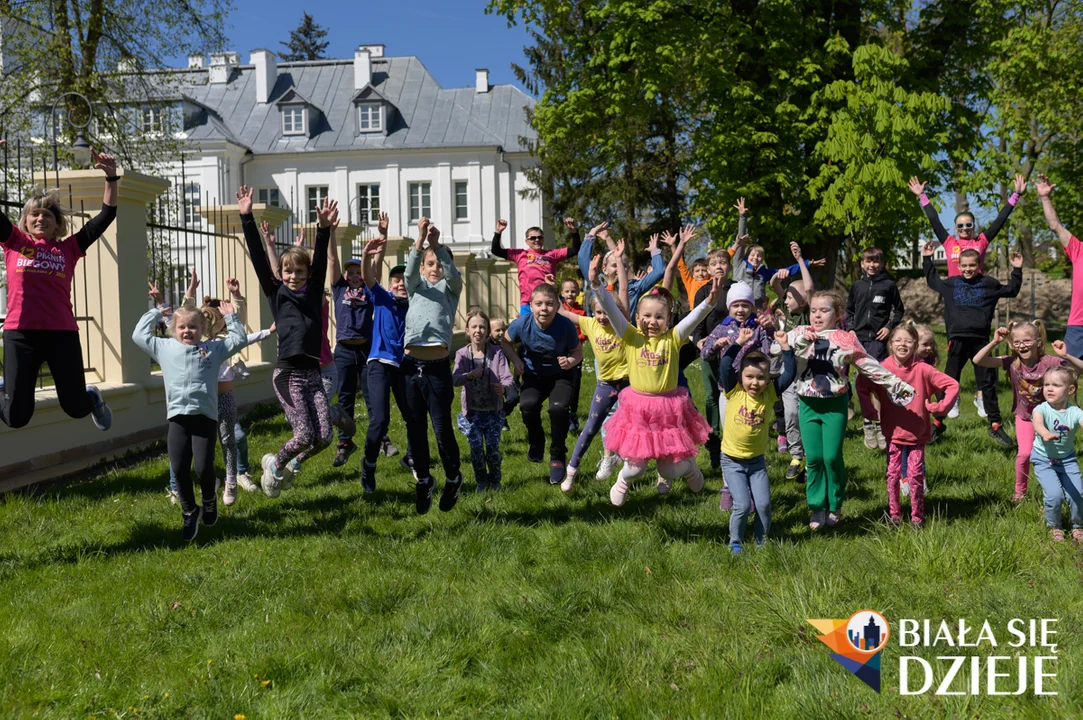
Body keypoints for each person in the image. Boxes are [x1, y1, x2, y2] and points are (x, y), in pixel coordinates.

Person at [238, 186, 353, 497]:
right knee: (303, 435)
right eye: (288, 271)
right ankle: (275, 466)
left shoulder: (315, 295)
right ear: (281, 272)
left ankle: (286, 463)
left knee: (325, 437)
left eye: (299, 271)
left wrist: (324, 228)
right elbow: (260, 260)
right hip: (288, 375)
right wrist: (246, 216)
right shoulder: (276, 293)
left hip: (314, 375)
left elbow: (318, 269)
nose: (293, 276)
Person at [0, 147, 117, 431]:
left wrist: (111, 179)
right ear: (25, 221)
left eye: (48, 215)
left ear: (57, 224)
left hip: (61, 334)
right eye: (35, 214)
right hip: (20, 334)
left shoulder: (69, 248)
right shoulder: (14, 242)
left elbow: (105, 218)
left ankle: (93, 398)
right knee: (17, 417)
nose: (41, 218)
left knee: (76, 407)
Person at [592, 275, 726, 506]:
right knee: (635, 467)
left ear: (668, 320)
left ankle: (689, 468)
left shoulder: (673, 338)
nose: (652, 321)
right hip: (638, 409)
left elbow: (693, 320)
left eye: (659, 317)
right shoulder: (631, 336)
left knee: (671, 468)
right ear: (637, 317)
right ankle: (623, 482)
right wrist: (596, 286)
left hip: (667, 409)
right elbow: (612, 311)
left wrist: (709, 303)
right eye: (647, 316)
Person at [786, 292, 915, 530]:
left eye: (823, 311)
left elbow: (870, 367)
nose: (817, 315)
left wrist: (897, 385)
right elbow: (776, 350)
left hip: (835, 404)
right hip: (808, 403)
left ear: (836, 315)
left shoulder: (846, 339)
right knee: (813, 458)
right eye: (813, 310)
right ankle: (816, 507)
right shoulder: (799, 333)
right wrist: (792, 340)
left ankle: (835, 504)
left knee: (832, 457)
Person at [132, 300, 247, 540]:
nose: (187, 331)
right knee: (179, 468)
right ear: (173, 329)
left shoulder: (214, 350)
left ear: (203, 328)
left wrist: (232, 318)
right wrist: (154, 312)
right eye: (182, 327)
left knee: (203, 467)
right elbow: (138, 336)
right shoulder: (164, 348)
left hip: (204, 417)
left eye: (193, 327)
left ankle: (209, 499)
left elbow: (239, 341)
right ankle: (189, 510)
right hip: (178, 418)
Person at [158, 272, 274, 507]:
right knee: (183, 448)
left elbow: (241, 327)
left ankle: (234, 478)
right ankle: (176, 487)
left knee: (232, 437)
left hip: (225, 396)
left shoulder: (223, 342)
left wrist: (236, 296)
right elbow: (180, 315)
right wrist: (189, 290)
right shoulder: (196, 341)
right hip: (202, 401)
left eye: (219, 318)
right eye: (211, 318)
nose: (215, 321)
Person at [922, 242, 1023, 446]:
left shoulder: (989, 284)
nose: (968, 269)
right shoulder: (951, 284)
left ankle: (995, 425)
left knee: (987, 383)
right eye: (964, 266)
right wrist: (927, 259)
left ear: (979, 266)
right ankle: (937, 422)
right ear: (959, 266)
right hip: (957, 340)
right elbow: (933, 280)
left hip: (981, 342)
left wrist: (1017, 269)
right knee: (948, 382)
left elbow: (1011, 290)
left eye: (972, 266)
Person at [859, 325, 959, 528]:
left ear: (915, 345)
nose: (902, 344)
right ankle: (894, 516)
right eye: (897, 340)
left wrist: (941, 407)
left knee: (915, 476)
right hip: (892, 432)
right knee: (893, 475)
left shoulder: (923, 369)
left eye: (908, 341)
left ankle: (917, 519)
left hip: (917, 433)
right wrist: (868, 410)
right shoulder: (883, 368)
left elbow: (953, 385)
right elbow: (861, 383)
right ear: (890, 343)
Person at [973, 323, 1083, 502]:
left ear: (1038, 342)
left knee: (1055, 455)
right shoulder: (1012, 363)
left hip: (1051, 418)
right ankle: (1020, 491)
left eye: (1027, 340)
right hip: (1025, 417)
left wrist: (1065, 355)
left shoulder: (1050, 362)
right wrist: (994, 342)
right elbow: (978, 360)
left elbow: (1080, 370)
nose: (1022, 345)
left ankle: (1058, 489)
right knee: (1024, 454)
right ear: (1012, 344)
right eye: (1017, 342)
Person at [403, 217, 464, 514]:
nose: (435, 267)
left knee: (440, 429)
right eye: (430, 263)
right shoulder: (414, 288)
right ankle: (424, 480)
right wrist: (419, 241)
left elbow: (453, 276)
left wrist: (437, 245)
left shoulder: (450, 291)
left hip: (437, 368)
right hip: (410, 367)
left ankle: (453, 477)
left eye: (439, 262)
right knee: (415, 429)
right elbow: (409, 272)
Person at [718, 328, 796, 553]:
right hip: (732, 461)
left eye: (761, 378)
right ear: (740, 376)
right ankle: (735, 540)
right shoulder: (734, 391)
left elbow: (789, 374)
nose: (755, 383)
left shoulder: (769, 394)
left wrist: (785, 348)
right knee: (742, 505)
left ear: (768, 379)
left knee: (763, 504)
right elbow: (725, 365)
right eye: (749, 377)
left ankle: (761, 539)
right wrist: (739, 343)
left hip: (756, 462)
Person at [559, 251, 631, 492]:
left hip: (630, 385)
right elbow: (563, 313)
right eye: (598, 312)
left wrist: (609, 271)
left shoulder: (623, 326)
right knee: (590, 428)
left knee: (633, 428)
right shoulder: (590, 324)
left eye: (606, 312)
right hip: (606, 385)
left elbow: (619, 297)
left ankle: (626, 470)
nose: (602, 317)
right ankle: (571, 471)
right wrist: (550, 290)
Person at [503, 283, 582, 484]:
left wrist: (570, 361)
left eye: (549, 304)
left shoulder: (565, 326)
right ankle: (536, 441)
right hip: (534, 375)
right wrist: (516, 360)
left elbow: (578, 352)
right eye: (538, 304)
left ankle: (557, 453)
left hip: (561, 375)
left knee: (558, 408)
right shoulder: (522, 323)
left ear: (557, 305)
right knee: (527, 405)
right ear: (531, 305)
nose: (543, 309)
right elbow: (505, 341)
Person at [357, 230, 413, 493]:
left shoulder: (414, 304)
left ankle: (412, 457)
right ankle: (368, 464)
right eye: (396, 280)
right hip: (379, 364)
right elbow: (369, 277)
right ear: (390, 284)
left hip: (404, 367)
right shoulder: (382, 297)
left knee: (414, 416)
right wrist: (368, 254)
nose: (401, 284)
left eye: (405, 280)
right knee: (380, 420)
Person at [908, 173, 1026, 278]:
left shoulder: (981, 241)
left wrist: (1016, 194)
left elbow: (1000, 220)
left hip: (978, 292)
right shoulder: (949, 242)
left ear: (973, 227)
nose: (964, 228)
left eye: (968, 224)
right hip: (955, 293)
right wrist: (922, 195)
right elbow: (934, 220)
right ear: (955, 228)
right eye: (960, 226)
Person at [848, 246, 905, 450]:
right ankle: (867, 424)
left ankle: (880, 426)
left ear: (881, 264)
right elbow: (849, 311)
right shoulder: (857, 286)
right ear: (862, 263)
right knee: (862, 384)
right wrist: (851, 328)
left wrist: (889, 327)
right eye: (868, 261)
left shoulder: (889, 285)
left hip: (878, 342)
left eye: (876, 262)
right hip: (859, 341)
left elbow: (899, 310)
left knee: (877, 384)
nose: (872, 265)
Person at [453, 310, 513, 492]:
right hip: (472, 413)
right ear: (467, 331)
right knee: (476, 449)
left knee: (493, 449)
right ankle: (482, 482)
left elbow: (508, 377)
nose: (478, 330)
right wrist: (468, 376)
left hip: (493, 412)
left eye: (482, 327)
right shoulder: (462, 354)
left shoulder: (497, 353)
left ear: (487, 331)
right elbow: (455, 379)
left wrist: (503, 388)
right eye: (474, 327)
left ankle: (495, 482)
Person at [769, 241, 814, 480]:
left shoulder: (809, 313)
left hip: (809, 376)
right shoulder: (788, 313)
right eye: (785, 298)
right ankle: (796, 456)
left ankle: (811, 460)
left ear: (804, 301)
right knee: (791, 416)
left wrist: (800, 262)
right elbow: (774, 284)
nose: (784, 301)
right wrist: (780, 275)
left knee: (806, 417)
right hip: (789, 374)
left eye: (789, 298)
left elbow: (809, 287)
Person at [691, 247, 734, 472]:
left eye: (723, 262)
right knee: (711, 396)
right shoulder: (703, 291)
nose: (719, 266)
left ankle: (732, 442)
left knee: (731, 394)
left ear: (729, 266)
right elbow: (697, 320)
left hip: (734, 351)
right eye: (714, 263)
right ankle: (714, 442)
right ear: (708, 269)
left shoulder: (737, 289)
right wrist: (699, 341)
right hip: (710, 351)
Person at [1032, 366, 1083, 542]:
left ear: (1070, 390)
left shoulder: (1075, 412)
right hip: (1043, 459)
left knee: (1077, 494)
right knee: (1055, 494)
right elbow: (1037, 423)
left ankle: (1078, 526)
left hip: (1067, 460)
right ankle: (1054, 527)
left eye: (1055, 384)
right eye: (1046, 384)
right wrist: (1044, 433)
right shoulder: (1041, 409)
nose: (1049, 388)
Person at [1035, 174, 1083, 358]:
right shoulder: (1078, 249)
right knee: (1064, 375)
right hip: (1078, 326)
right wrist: (1045, 198)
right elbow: (1055, 225)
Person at [491, 217, 581, 315]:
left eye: (540, 237)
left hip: (547, 302)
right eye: (533, 238)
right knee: (526, 330)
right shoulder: (520, 254)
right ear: (527, 241)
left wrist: (574, 232)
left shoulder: (552, 254)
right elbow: (496, 250)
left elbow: (575, 249)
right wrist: (498, 232)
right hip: (527, 303)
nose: (537, 240)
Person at [560, 277, 586, 435]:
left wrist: (576, 340)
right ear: (562, 293)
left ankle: (573, 413)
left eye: (573, 291)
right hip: (560, 354)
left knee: (575, 383)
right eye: (567, 291)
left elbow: (585, 332)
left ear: (577, 293)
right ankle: (562, 413)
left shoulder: (581, 312)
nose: (570, 293)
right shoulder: (558, 310)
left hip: (576, 353)